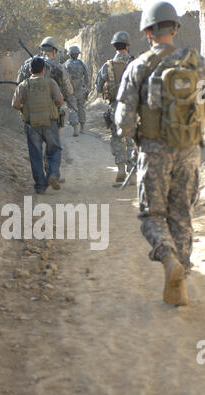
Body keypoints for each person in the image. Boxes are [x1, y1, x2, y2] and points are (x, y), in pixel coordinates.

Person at [115, 1, 205, 306]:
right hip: (190, 151)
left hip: (155, 152)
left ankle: (168, 260)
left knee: (152, 215)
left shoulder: (138, 66)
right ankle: (182, 280)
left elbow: (124, 123)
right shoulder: (198, 64)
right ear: (176, 29)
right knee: (182, 214)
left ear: (147, 32)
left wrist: (133, 137)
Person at [12, 57, 64, 194]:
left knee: (35, 155)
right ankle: (53, 174)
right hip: (49, 122)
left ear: (30, 71)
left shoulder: (23, 85)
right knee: (54, 150)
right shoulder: (50, 83)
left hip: (32, 124)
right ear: (43, 70)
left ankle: (40, 185)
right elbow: (59, 100)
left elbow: (15, 105)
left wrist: (25, 107)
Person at [95, 31, 136, 186]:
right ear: (128, 46)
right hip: (132, 106)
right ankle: (132, 172)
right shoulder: (135, 63)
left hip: (114, 106)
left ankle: (120, 169)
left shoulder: (108, 65)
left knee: (117, 138)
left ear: (114, 46)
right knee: (132, 139)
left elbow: (97, 86)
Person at [64, 45, 90, 136]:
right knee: (81, 107)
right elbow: (87, 77)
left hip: (70, 89)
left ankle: (75, 127)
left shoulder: (66, 64)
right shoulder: (82, 64)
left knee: (72, 108)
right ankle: (82, 127)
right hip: (80, 89)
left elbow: (63, 78)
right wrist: (86, 87)